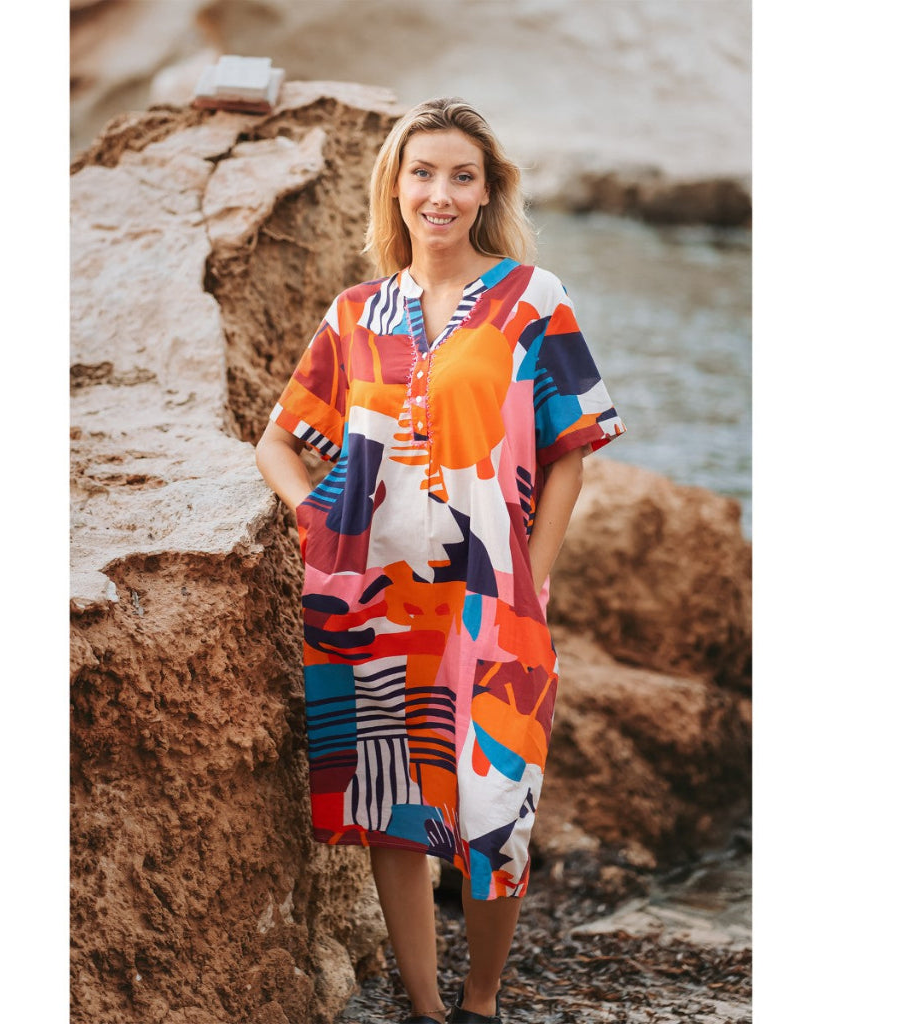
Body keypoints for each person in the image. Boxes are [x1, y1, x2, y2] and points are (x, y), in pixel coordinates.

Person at [256, 97, 625, 1024]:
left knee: (499, 807)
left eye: (463, 175)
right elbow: (280, 440)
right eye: (423, 173)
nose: (441, 193)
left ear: (487, 190)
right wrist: (320, 522)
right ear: (396, 186)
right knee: (393, 801)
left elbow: (571, 446)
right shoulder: (356, 315)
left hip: (493, 596)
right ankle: (426, 1010)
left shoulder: (533, 300)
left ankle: (482, 1003)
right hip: (372, 599)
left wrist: (537, 573)